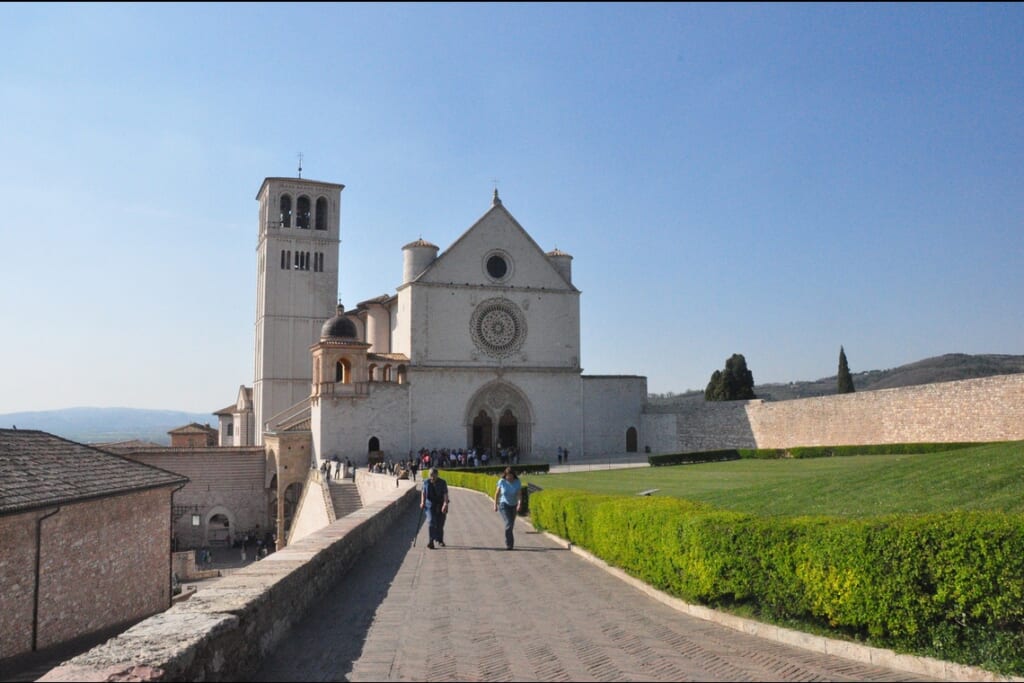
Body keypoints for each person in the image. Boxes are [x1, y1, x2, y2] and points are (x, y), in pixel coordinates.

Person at [494, 466, 524, 550]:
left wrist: (519, 504)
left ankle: (509, 541)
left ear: (513, 475)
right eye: (508, 476)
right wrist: (495, 504)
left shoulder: (517, 482)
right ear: (505, 475)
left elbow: (519, 494)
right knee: (508, 524)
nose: (509, 478)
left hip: (513, 505)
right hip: (503, 504)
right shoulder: (502, 481)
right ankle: (509, 544)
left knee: (511, 525)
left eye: (511, 476)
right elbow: (497, 493)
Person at [420, 467, 449, 549]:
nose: (432, 477)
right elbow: (423, 492)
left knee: (440, 523)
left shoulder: (442, 482)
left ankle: (440, 540)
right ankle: (431, 541)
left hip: (440, 504)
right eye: (430, 475)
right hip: (429, 505)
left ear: (437, 475)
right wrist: (422, 502)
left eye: (433, 475)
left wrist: (445, 504)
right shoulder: (426, 482)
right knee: (431, 521)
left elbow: (445, 494)